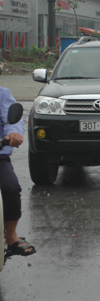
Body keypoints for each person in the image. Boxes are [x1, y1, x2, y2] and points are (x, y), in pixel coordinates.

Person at [0, 86, 36, 257]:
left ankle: (11, 235)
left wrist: (13, 134)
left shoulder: (2, 94)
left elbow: (12, 120)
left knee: (10, 188)